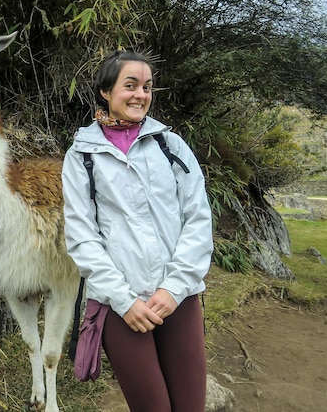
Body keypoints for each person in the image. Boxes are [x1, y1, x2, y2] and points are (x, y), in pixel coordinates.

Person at [62, 50, 213, 411]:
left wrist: (174, 288)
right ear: (105, 91)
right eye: (130, 85)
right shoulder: (83, 155)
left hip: (179, 299)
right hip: (121, 306)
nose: (140, 95)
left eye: (146, 87)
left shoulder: (170, 146)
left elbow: (198, 219)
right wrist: (124, 299)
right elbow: (82, 236)